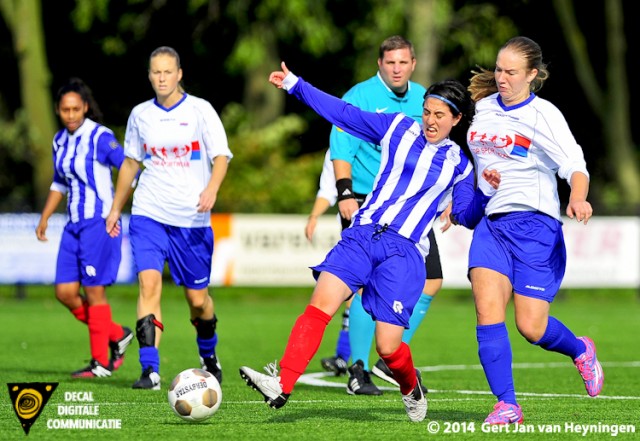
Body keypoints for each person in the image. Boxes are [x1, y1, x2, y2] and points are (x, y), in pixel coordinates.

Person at [239, 61, 501, 423]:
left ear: (456, 120)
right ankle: (282, 383)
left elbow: (468, 216)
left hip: (405, 253)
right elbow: (344, 114)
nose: (430, 120)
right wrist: (296, 85)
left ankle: (412, 388)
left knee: (388, 348)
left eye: (439, 115)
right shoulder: (397, 127)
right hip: (362, 235)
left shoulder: (460, 165)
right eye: (426, 111)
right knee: (320, 306)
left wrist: (486, 190)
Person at [464, 36, 603, 425]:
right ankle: (506, 403)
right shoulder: (483, 108)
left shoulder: (545, 115)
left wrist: (577, 197)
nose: (501, 78)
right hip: (491, 225)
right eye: (498, 69)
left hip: (535, 228)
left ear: (532, 75)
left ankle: (580, 349)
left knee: (530, 326)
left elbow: (576, 165)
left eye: (510, 72)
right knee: (486, 310)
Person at [322, 35, 451, 396]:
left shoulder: (425, 99)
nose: (396, 69)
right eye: (390, 62)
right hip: (365, 201)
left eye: (403, 62)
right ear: (379, 64)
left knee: (432, 280)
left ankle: (387, 356)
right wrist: (345, 193)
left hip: (409, 207)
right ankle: (358, 368)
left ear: (413, 64)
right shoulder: (359, 96)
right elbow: (341, 146)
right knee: (363, 286)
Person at [105, 46, 232, 390]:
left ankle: (208, 353)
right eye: (155, 72)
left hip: (191, 220)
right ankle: (150, 369)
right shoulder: (140, 115)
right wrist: (117, 207)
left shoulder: (200, 110)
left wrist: (212, 189)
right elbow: (131, 163)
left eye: (167, 72)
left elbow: (220, 156)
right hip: (149, 212)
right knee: (149, 284)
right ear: (149, 76)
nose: (161, 78)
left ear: (179, 75)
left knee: (197, 300)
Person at [36, 77, 133, 378]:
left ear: (85, 108)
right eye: (65, 109)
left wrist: (115, 210)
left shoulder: (100, 137)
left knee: (93, 293)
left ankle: (99, 363)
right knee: (65, 292)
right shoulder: (59, 141)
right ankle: (117, 333)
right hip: (73, 226)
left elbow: (129, 169)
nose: (71, 115)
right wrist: (45, 216)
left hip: (98, 224)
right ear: (58, 110)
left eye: (76, 109)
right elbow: (59, 182)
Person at [305, 149, 353, 375]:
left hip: (388, 224)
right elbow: (328, 189)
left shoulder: (384, 134)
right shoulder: (337, 146)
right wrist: (314, 216)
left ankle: (352, 358)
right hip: (353, 224)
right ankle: (346, 357)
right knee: (355, 291)